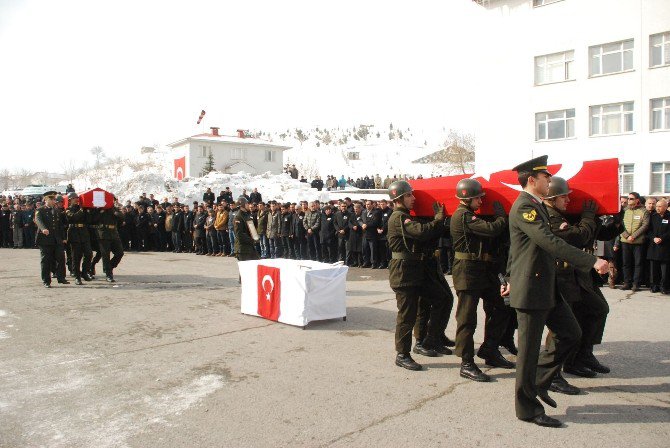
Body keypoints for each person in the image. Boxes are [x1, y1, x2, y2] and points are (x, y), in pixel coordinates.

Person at [503, 155, 608, 428]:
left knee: (571, 333)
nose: (549, 180)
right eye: (545, 177)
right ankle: (527, 409)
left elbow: (519, 249)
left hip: (545, 285)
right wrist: (592, 260)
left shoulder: (535, 205)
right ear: (531, 180)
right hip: (531, 289)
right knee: (527, 352)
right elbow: (548, 241)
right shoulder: (524, 206)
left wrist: (509, 275)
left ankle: (537, 381)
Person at [542, 176, 612, 388]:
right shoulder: (551, 218)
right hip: (560, 276)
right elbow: (578, 237)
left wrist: (611, 219)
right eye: (564, 197)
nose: (568, 200)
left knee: (598, 309)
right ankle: (551, 374)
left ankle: (581, 356)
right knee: (560, 327)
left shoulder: (564, 214)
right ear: (552, 198)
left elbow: (597, 234)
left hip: (577, 274)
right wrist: (589, 216)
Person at [450, 178, 512, 382]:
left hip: (482, 270)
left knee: (501, 307)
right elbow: (492, 229)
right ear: (468, 198)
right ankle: (466, 363)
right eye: (478, 198)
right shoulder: (463, 216)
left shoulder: (471, 214)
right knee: (467, 318)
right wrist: (502, 216)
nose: (481, 201)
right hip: (467, 271)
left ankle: (490, 349)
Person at [386, 180, 448, 371]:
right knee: (407, 315)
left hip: (415, 270)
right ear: (398, 199)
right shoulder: (399, 217)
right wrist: (437, 219)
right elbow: (420, 232)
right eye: (409, 196)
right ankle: (402, 354)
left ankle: (430, 339)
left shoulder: (407, 215)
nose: (413, 199)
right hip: (404, 273)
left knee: (442, 298)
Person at [614, 192, 650, 291]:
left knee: (638, 263)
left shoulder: (644, 211)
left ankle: (636, 284)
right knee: (626, 263)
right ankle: (627, 283)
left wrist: (633, 236)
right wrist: (626, 235)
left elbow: (645, 225)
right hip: (625, 241)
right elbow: (620, 225)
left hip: (638, 242)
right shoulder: (624, 211)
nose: (629, 200)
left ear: (637, 200)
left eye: (631, 198)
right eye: (628, 198)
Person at [35, 191, 68, 287]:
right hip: (45, 239)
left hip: (56, 239)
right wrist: (43, 228)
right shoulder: (40, 210)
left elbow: (60, 226)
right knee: (46, 260)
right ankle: (46, 280)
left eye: (54, 199)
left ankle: (61, 278)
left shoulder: (57, 211)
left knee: (61, 258)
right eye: (52, 199)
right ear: (46, 200)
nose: (54, 201)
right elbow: (38, 220)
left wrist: (63, 237)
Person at [65, 192, 93, 285]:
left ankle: (84, 273)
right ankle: (77, 276)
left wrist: (88, 210)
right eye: (74, 198)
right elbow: (74, 217)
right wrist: (82, 210)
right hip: (74, 233)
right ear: (70, 200)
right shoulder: (68, 209)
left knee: (89, 254)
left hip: (84, 233)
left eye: (77, 198)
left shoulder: (82, 208)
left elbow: (89, 220)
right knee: (76, 256)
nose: (76, 199)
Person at [94, 202, 125, 282]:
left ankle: (110, 266)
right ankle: (109, 275)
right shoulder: (100, 209)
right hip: (103, 234)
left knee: (120, 253)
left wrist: (114, 211)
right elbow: (93, 219)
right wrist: (101, 211)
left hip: (114, 233)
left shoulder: (114, 209)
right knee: (105, 255)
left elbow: (121, 217)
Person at [647, 199, 670, 294]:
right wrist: (653, 238)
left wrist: (662, 238)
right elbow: (649, 230)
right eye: (657, 206)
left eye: (660, 206)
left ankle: (663, 286)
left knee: (665, 270)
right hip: (654, 246)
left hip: (665, 247)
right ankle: (654, 286)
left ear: (665, 207)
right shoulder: (653, 216)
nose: (657, 208)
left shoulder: (669, 216)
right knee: (653, 269)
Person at [233, 197, 260, 261]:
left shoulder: (247, 215)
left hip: (249, 247)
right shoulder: (238, 217)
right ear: (242, 205)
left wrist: (255, 237)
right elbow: (239, 234)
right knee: (246, 269)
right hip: (242, 249)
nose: (249, 205)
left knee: (256, 265)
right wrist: (251, 240)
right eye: (247, 203)